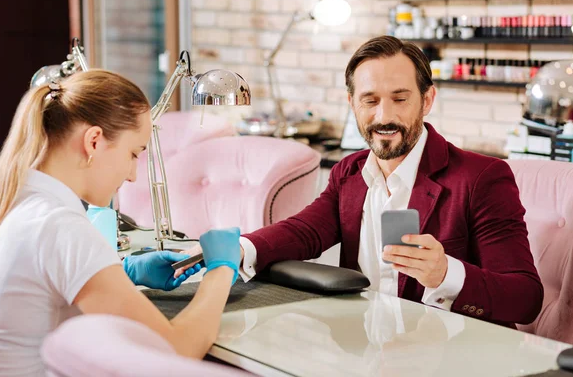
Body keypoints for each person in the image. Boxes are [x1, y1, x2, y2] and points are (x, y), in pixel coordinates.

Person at [181, 36, 543, 328]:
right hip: (363, 348)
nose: (384, 116)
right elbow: (305, 231)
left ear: (427, 100)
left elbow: (525, 299)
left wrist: (447, 274)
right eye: (370, 100)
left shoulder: (482, 178)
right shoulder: (349, 172)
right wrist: (240, 248)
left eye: (400, 99)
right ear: (351, 102)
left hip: (454, 356)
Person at [0, 70, 242, 376]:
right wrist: (221, 271)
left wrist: (125, 272)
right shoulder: (59, 226)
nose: (132, 175)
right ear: (94, 141)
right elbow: (174, 351)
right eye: (133, 154)